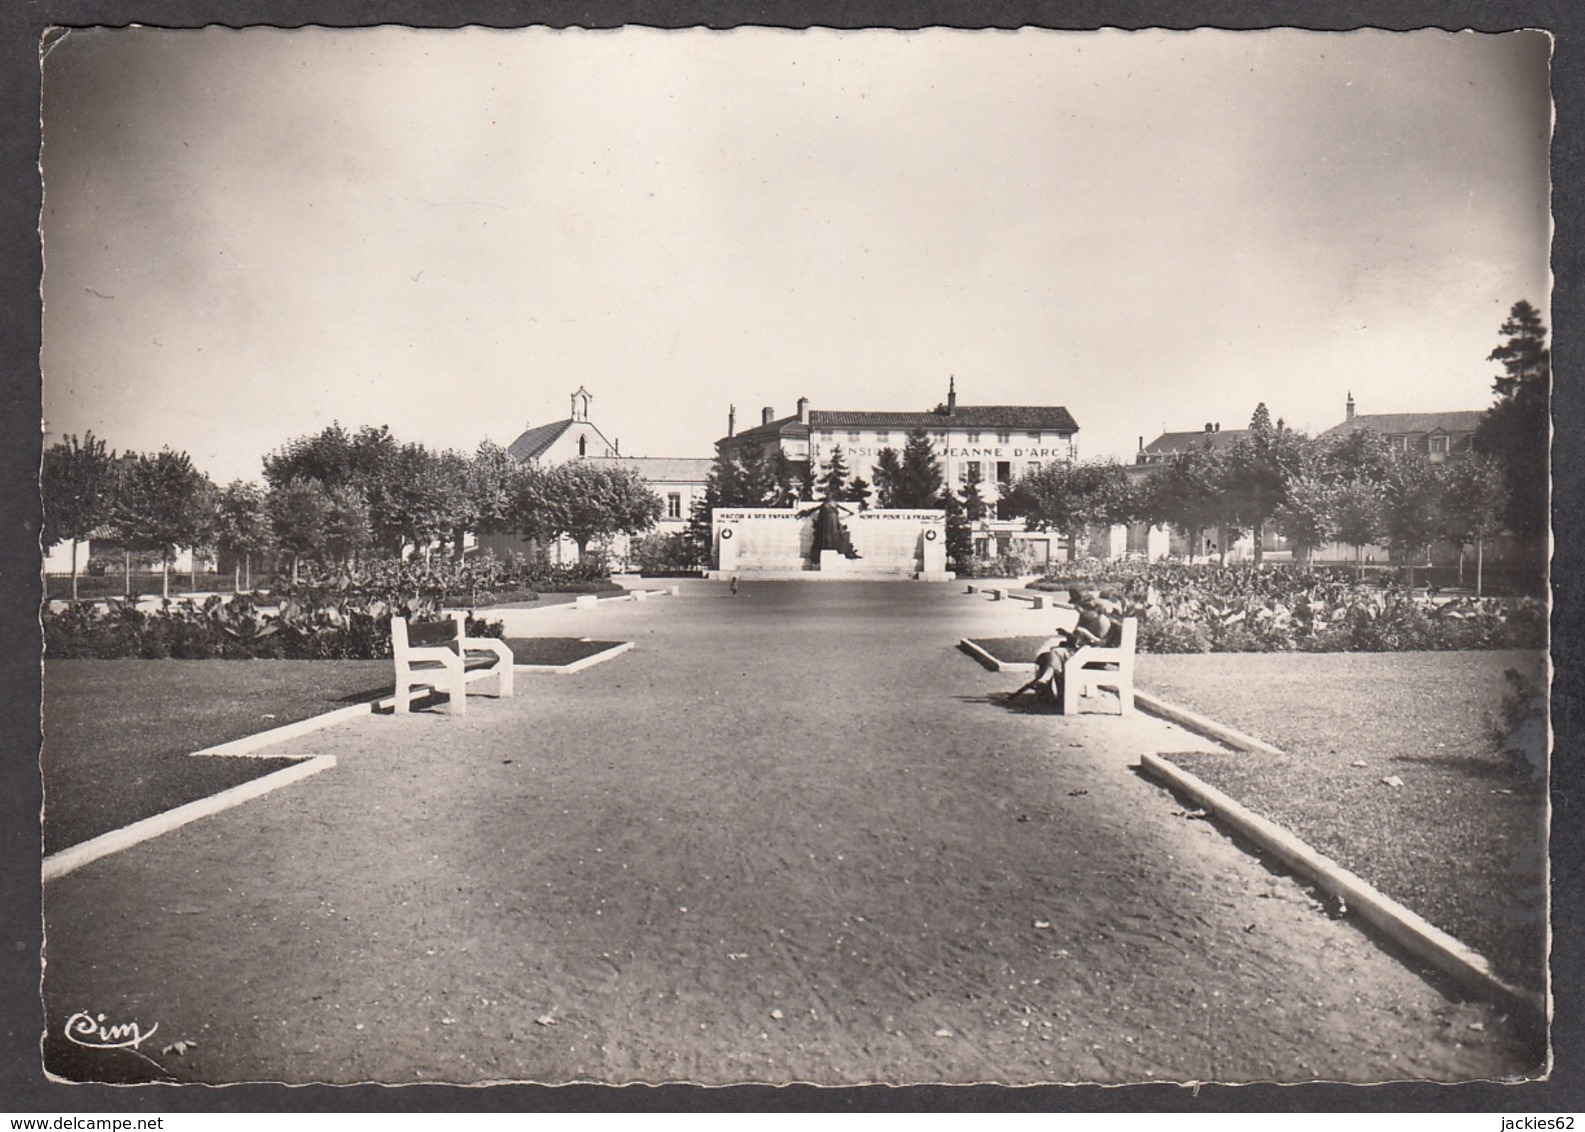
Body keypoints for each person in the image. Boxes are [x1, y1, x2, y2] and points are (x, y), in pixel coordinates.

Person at [1010, 590, 1120, 708]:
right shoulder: (1086, 619)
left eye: (1086, 611)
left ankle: (1049, 683)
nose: (1083, 614)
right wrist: (1068, 634)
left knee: (1056, 653)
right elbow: (1078, 639)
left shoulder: (1102, 622)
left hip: (1090, 656)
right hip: (1081, 652)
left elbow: (1100, 644)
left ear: (1095, 610)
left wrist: (1085, 633)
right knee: (1045, 658)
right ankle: (1046, 694)